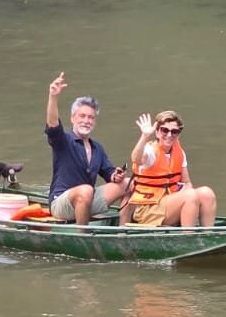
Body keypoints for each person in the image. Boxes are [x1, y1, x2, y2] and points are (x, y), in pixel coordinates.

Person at [45, 72, 129, 224]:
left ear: (95, 121)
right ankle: (82, 233)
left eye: (91, 117)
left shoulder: (97, 148)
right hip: (61, 203)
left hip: (88, 200)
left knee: (130, 183)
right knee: (86, 190)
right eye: (82, 116)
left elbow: (108, 172)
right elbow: (52, 124)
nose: (86, 121)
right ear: (73, 118)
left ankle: (123, 230)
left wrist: (116, 175)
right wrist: (53, 96)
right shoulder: (63, 140)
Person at [122, 111, 217, 228]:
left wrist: (185, 192)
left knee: (207, 193)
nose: (169, 135)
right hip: (148, 209)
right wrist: (145, 136)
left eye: (174, 132)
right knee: (190, 196)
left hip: (169, 203)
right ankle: (188, 235)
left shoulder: (179, 153)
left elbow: (187, 183)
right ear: (157, 132)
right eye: (164, 130)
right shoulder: (150, 151)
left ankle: (208, 233)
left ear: (178, 134)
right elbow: (136, 158)